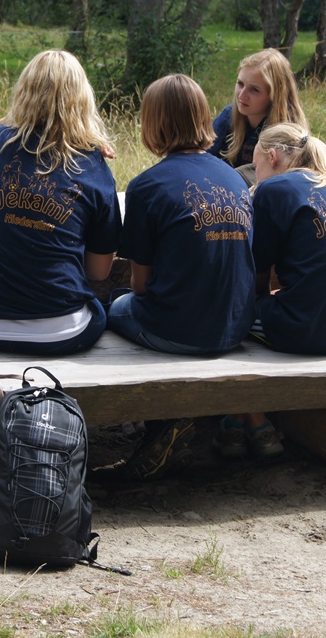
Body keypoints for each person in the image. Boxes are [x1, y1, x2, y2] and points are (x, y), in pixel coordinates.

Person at [107, 73, 257, 479]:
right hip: (235, 327)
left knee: (112, 307)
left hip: (180, 331)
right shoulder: (235, 178)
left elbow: (140, 285)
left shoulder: (146, 186)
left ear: (152, 123)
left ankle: (148, 421)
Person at [213, 123, 326, 459]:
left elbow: (254, 280)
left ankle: (251, 418)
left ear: (272, 157)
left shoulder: (274, 189)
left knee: (227, 318)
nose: (256, 173)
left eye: (256, 165)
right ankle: (244, 421)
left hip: (312, 329)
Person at [0, 50, 121, 355]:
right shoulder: (94, 166)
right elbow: (98, 272)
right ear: (82, 98)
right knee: (109, 309)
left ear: (24, 91)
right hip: (62, 331)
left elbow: (15, 131)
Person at [208, 48, 308, 174]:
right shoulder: (229, 115)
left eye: (254, 90)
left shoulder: (288, 136)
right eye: (240, 84)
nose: (242, 95)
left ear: (275, 95)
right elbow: (201, 156)